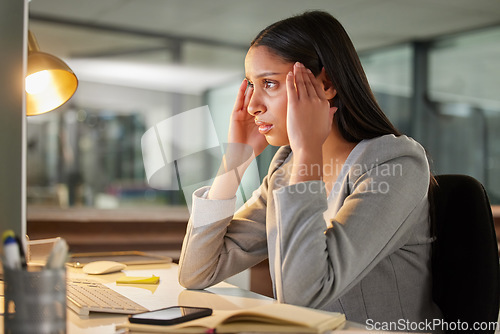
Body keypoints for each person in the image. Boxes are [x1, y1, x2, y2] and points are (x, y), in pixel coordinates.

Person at [178, 10, 443, 327]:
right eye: (251, 84)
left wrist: (307, 151)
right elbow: (196, 271)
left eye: (270, 83)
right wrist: (235, 161)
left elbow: (303, 296)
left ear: (326, 84)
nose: (252, 105)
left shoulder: (396, 163)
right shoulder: (285, 169)